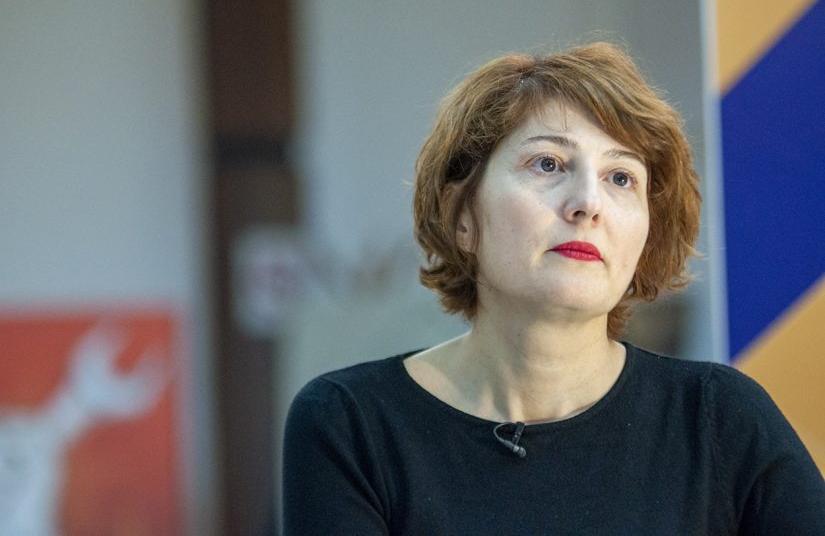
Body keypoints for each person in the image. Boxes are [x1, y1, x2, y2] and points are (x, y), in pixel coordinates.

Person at [282, 42, 825, 534]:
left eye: (621, 178)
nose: (587, 203)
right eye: (548, 164)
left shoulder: (719, 417)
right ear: (461, 216)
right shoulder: (350, 424)